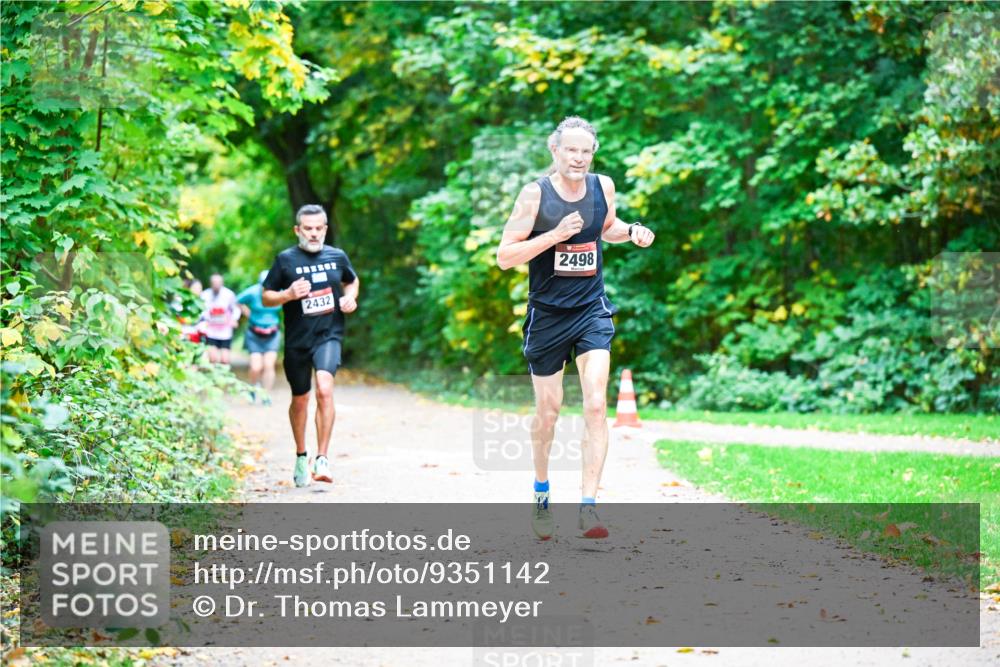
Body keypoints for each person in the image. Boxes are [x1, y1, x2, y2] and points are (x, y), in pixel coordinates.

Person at [496, 116, 655, 539]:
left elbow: (607, 229)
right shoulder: (535, 195)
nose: (579, 158)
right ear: (556, 151)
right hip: (547, 316)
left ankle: (588, 507)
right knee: (548, 414)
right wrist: (552, 236)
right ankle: (542, 494)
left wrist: (633, 232)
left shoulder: (603, 187)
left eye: (586, 151)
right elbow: (505, 256)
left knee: (596, 403)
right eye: (572, 150)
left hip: (591, 309)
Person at [262, 204, 360, 487]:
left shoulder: (337, 256)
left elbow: (351, 282)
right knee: (300, 400)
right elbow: (266, 296)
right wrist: (288, 294)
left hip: (329, 334)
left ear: (325, 229)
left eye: (319, 228)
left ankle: (323, 458)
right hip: (297, 342)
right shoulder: (285, 260)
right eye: (308, 229)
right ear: (298, 230)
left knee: (325, 389)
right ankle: (301, 455)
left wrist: (350, 298)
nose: (314, 234)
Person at [237, 269, 283, 405]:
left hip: (272, 333)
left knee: (269, 365)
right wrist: (248, 313)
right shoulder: (252, 292)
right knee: (256, 366)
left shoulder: (278, 292)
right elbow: (237, 300)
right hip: (254, 334)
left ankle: (266, 395)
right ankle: (253, 388)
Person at [199, 273, 240, 365]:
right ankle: (213, 378)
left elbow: (236, 309)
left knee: (225, 360)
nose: (216, 284)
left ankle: (224, 377)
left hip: (225, 332)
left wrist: (234, 319)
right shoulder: (205, 295)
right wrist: (204, 320)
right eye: (214, 282)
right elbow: (201, 311)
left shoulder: (229, 294)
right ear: (211, 283)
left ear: (222, 283)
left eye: (219, 282)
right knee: (212, 359)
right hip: (210, 331)